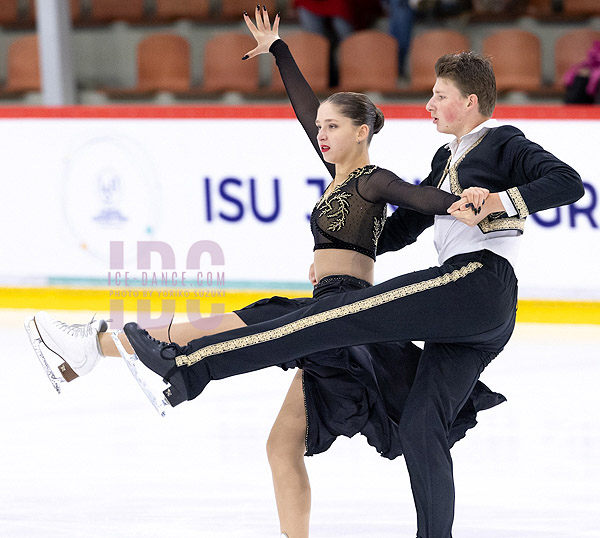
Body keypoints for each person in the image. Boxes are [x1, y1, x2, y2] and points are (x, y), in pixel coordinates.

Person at [28, 8, 495, 538]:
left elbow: (414, 196)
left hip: (340, 310)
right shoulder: (338, 177)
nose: (320, 133)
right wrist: (279, 51)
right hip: (327, 317)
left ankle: (93, 344)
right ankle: (93, 347)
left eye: (333, 127)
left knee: (231, 327)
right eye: (320, 128)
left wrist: (456, 201)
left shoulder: (371, 180)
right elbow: (303, 111)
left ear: (362, 132)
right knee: (280, 444)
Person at [122, 21, 585, 538]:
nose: (429, 104)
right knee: (419, 426)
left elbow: (567, 183)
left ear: (472, 102)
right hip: (474, 311)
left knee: (324, 320)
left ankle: (188, 366)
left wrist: (499, 200)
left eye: (440, 96)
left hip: (477, 281)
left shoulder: (502, 143)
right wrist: (350, 241)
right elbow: (403, 226)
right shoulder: (443, 161)